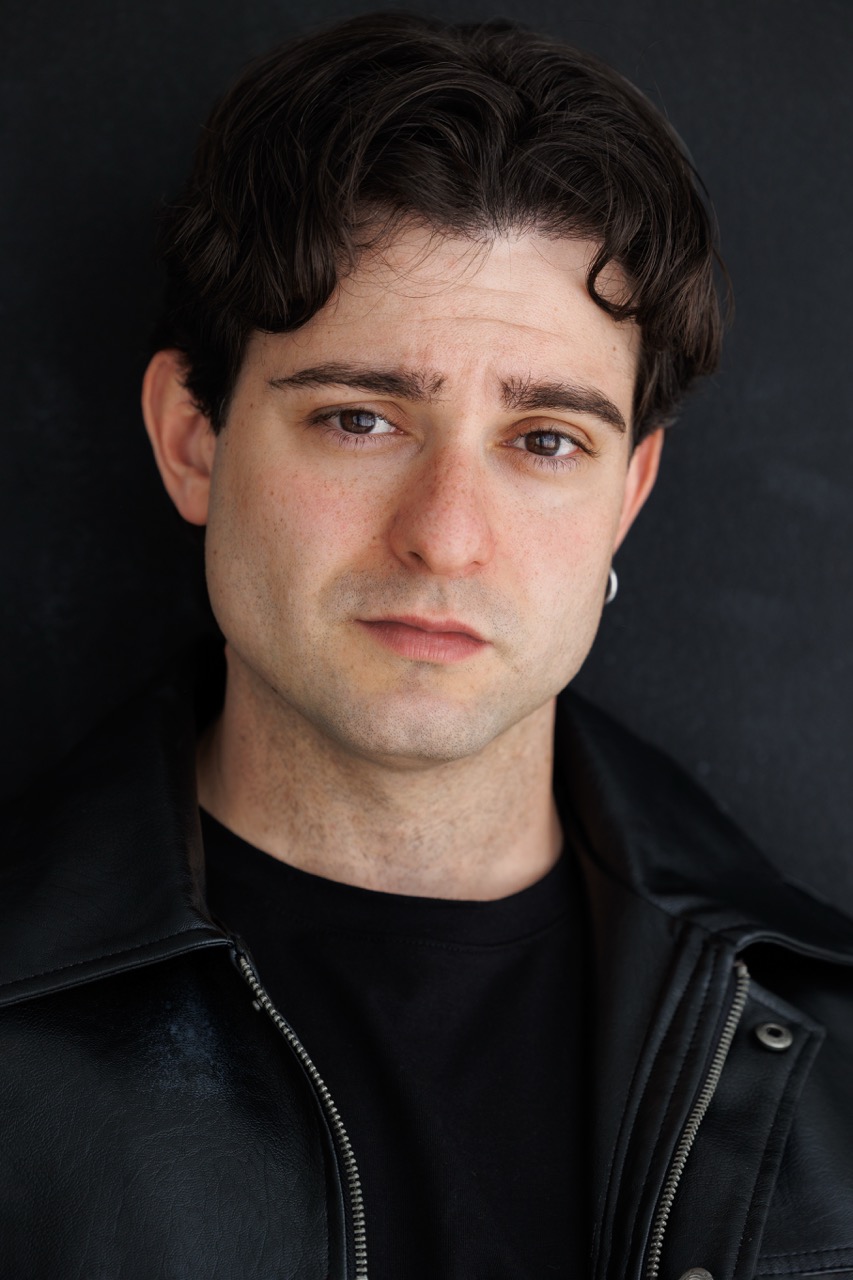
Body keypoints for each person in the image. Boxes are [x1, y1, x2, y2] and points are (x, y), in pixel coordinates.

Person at [3, 11, 853, 1279]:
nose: (446, 536)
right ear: (192, 437)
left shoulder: (832, 1057)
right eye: (360, 418)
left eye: (546, 440)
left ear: (627, 493)